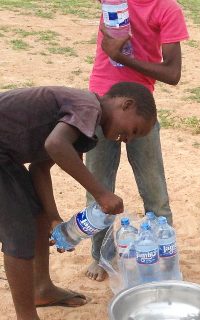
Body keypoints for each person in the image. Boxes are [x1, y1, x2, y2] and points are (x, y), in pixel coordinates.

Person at [0, 82, 157, 320]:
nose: (127, 139)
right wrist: (102, 194)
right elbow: (55, 145)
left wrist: (53, 218)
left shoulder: (86, 128)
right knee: (19, 231)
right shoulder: (88, 106)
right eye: (133, 130)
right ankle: (26, 316)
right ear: (126, 105)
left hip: (6, 155)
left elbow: (40, 168)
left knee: (38, 214)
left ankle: (41, 288)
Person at [85, 0, 189, 281]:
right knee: (98, 184)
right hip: (102, 103)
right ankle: (100, 255)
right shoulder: (115, 1)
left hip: (139, 111)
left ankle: (164, 252)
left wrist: (122, 56)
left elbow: (172, 73)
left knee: (153, 185)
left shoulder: (167, 9)